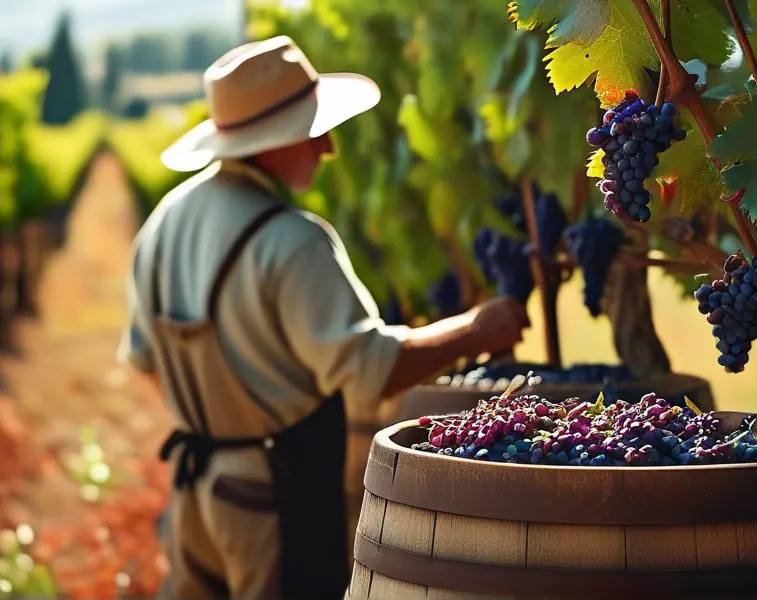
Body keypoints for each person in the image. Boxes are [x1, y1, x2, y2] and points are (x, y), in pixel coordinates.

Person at [118, 35, 530, 600]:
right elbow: (371, 372)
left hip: (192, 496)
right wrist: (477, 329)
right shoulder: (291, 241)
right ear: (268, 143)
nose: (328, 147)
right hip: (272, 496)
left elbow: (144, 362)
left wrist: (219, 409)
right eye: (311, 130)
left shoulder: (165, 221)